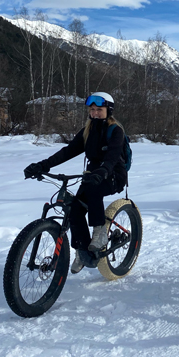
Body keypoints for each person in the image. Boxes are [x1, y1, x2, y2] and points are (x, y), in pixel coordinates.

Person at [24, 92, 128, 274]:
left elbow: (112, 156)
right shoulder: (88, 131)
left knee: (94, 191)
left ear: (108, 111)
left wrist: (103, 171)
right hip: (93, 175)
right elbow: (67, 152)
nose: (94, 113)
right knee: (74, 208)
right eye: (92, 109)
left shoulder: (115, 130)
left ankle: (100, 232)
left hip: (113, 175)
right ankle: (82, 249)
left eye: (99, 110)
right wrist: (42, 165)